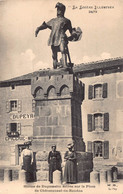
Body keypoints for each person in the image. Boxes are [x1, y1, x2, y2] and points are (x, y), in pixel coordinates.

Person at [35, 2, 82, 69]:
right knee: (54, 55)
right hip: (53, 38)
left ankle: (65, 65)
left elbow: (71, 30)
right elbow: (45, 25)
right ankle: (55, 67)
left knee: (63, 50)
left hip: (62, 37)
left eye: (60, 10)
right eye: (57, 10)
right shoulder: (53, 20)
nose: (58, 11)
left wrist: (74, 34)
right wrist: (38, 28)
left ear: (63, 11)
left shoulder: (67, 21)